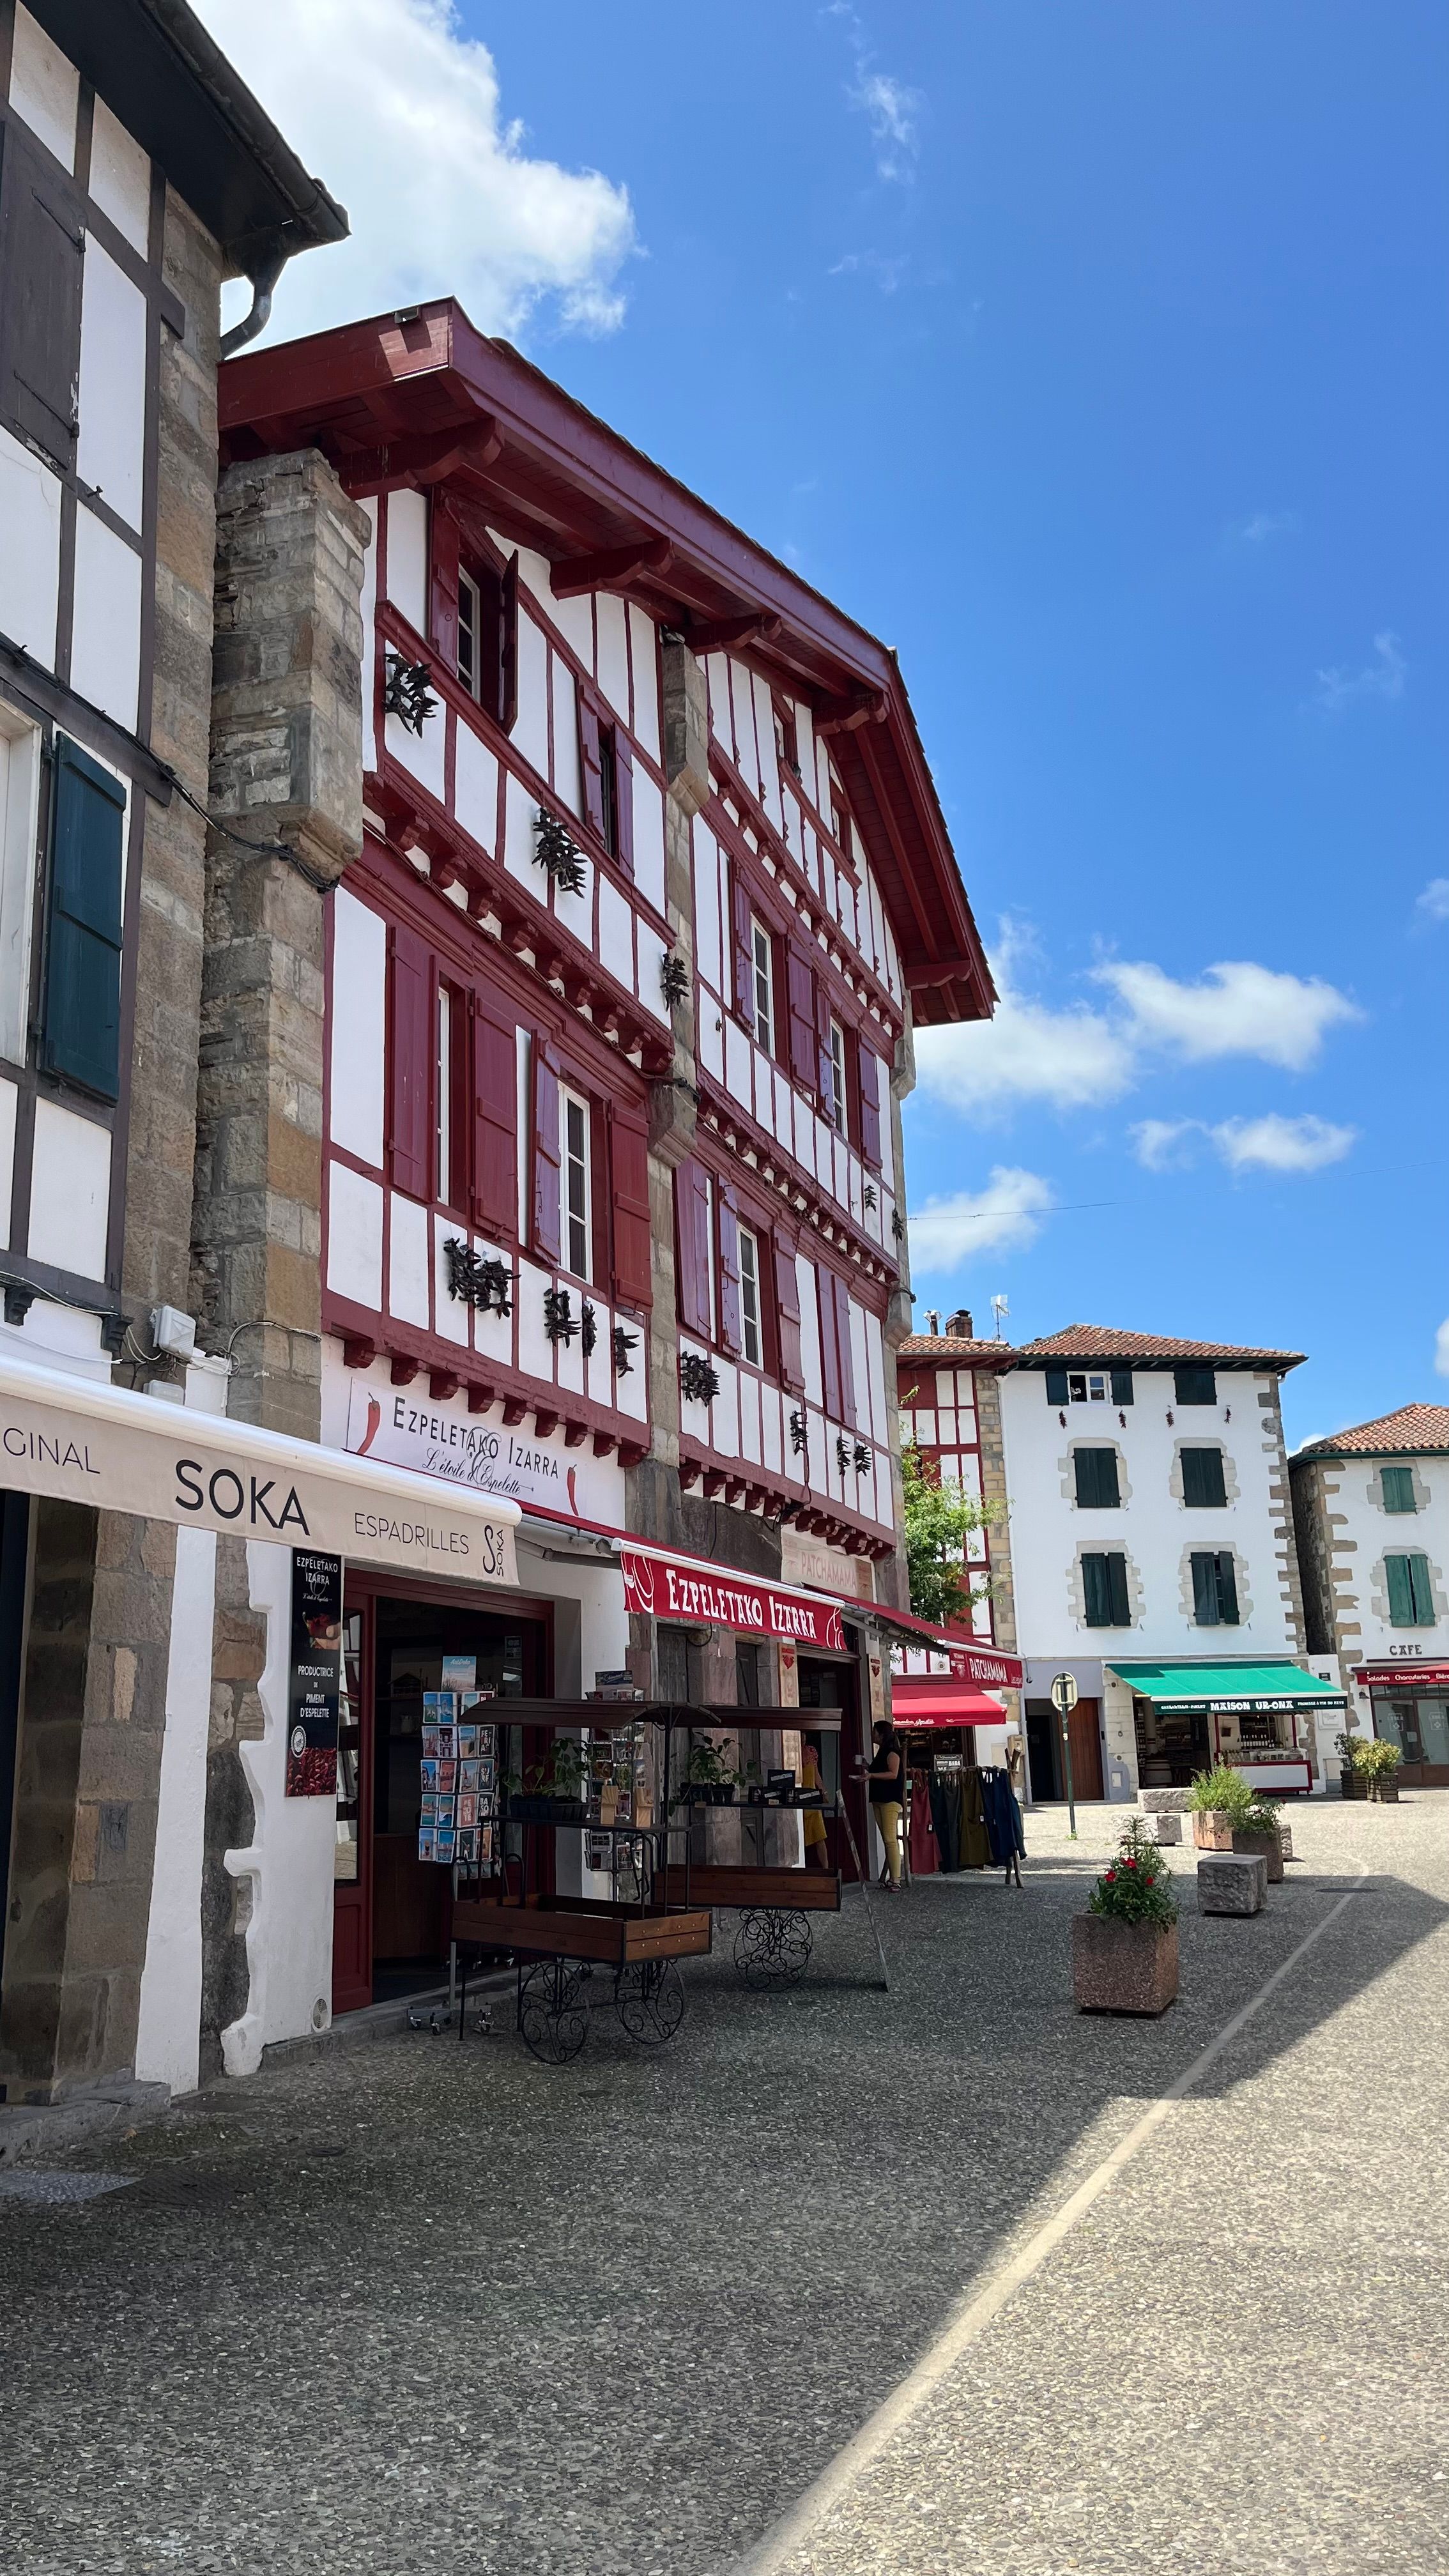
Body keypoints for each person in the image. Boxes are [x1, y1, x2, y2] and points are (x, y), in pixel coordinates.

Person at [867, 1718, 905, 1891]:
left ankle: (896, 1879)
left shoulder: (892, 1752)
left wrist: (871, 1776)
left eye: (874, 1731)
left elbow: (893, 1774)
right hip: (879, 1799)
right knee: (887, 1839)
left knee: (891, 1840)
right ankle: (892, 1878)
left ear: (881, 1734)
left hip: (890, 1800)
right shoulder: (882, 1752)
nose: (872, 1734)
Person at [801, 1738, 830, 1871]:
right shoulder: (791, 1750)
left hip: (811, 1799)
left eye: (805, 1734)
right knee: (799, 1838)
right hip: (796, 1799)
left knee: (820, 1835)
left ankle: (826, 1869)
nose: (803, 1737)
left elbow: (816, 1774)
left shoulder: (811, 1751)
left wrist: (823, 1791)